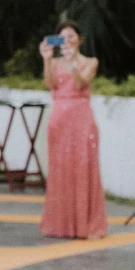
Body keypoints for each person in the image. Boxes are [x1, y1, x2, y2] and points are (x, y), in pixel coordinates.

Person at [39, 22, 108, 240]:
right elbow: (50, 84)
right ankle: (61, 224)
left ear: (79, 39)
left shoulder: (90, 62)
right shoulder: (55, 60)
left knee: (83, 167)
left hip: (82, 120)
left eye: (70, 36)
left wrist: (71, 63)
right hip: (59, 118)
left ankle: (85, 224)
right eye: (62, 37)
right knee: (60, 169)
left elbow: (81, 83)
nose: (67, 41)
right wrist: (46, 58)